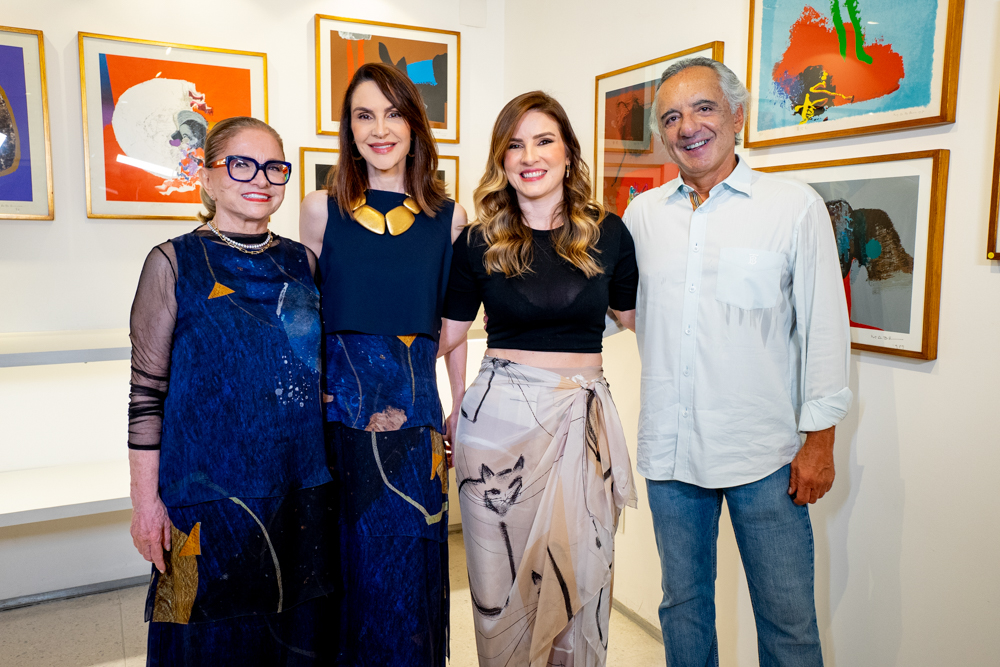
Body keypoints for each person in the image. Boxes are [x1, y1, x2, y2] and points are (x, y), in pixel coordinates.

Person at [622, 57, 852, 666]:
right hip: (672, 453)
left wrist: (821, 441)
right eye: (671, 117)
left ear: (738, 116)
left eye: (704, 108)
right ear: (661, 133)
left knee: (788, 620)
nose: (688, 127)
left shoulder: (792, 207)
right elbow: (613, 309)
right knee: (683, 608)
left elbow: (826, 330)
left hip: (765, 456)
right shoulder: (642, 216)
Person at [437, 91, 638, 667]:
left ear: (568, 153)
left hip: (582, 427)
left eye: (544, 141)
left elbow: (638, 321)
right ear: (501, 160)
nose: (529, 156)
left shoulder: (609, 233)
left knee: (581, 581)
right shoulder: (477, 241)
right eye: (515, 145)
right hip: (495, 432)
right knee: (501, 589)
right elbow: (445, 335)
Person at [127, 116, 336, 666]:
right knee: (194, 640)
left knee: (293, 639)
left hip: (296, 490)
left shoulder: (303, 263)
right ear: (206, 176)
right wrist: (145, 505)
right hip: (199, 498)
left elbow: (317, 368)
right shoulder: (172, 263)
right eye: (241, 164)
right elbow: (146, 395)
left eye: (273, 167)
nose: (260, 179)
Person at [298, 62, 467, 667]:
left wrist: (459, 404)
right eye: (364, 115)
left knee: (408, 569)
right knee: (345, 566)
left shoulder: (450, 218)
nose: (380, 129)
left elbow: (453, 325)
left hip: (416, 419)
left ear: (415, 125)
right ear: (348, 128)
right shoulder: (320, 209)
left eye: (393, 114)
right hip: (338, 419)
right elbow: (306, 318)